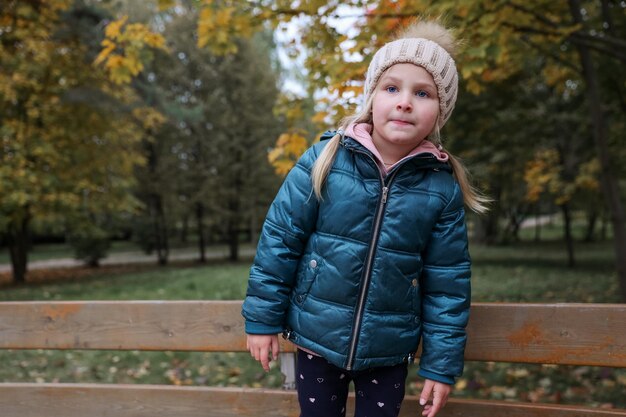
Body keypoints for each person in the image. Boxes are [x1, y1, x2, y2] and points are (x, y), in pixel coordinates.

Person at [242, 19, 488, 417]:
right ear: (372, 96)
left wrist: (441, 367)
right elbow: (280, 241)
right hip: (316, 338)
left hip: (388, 350)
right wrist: (261, 320)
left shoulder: (441, 189)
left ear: (440, 112)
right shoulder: (325, 161)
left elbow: (448, 284)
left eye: (422, 93)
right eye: (392, 88)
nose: (404, 101)